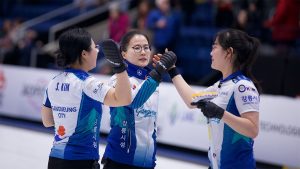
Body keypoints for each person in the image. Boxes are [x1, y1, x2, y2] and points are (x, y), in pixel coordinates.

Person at [154, 29, 261, 169]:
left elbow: (253, 129)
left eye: (214, 47)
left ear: (229, 52)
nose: (211, 53)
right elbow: (192, 100)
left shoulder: (243, 86)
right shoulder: (221, 85)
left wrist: (220, 113)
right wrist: (172, 70)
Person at [41, 27, 132, 169]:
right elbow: (124, 99)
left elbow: (47, 121)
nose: (97, 50)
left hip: (55, 160)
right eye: (94, 46)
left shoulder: (53, 81)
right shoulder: (87, 83)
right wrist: (120, 67)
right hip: (81, 161)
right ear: (84, 53)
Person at [101, 30, 176, 169]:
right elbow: (134, 102)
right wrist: (157, 73)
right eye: (136, 48)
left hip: (147, 160)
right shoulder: (118, 79)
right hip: (120, 160)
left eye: (146, 47)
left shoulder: (151, 80)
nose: (143, 52)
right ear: (123, 54)